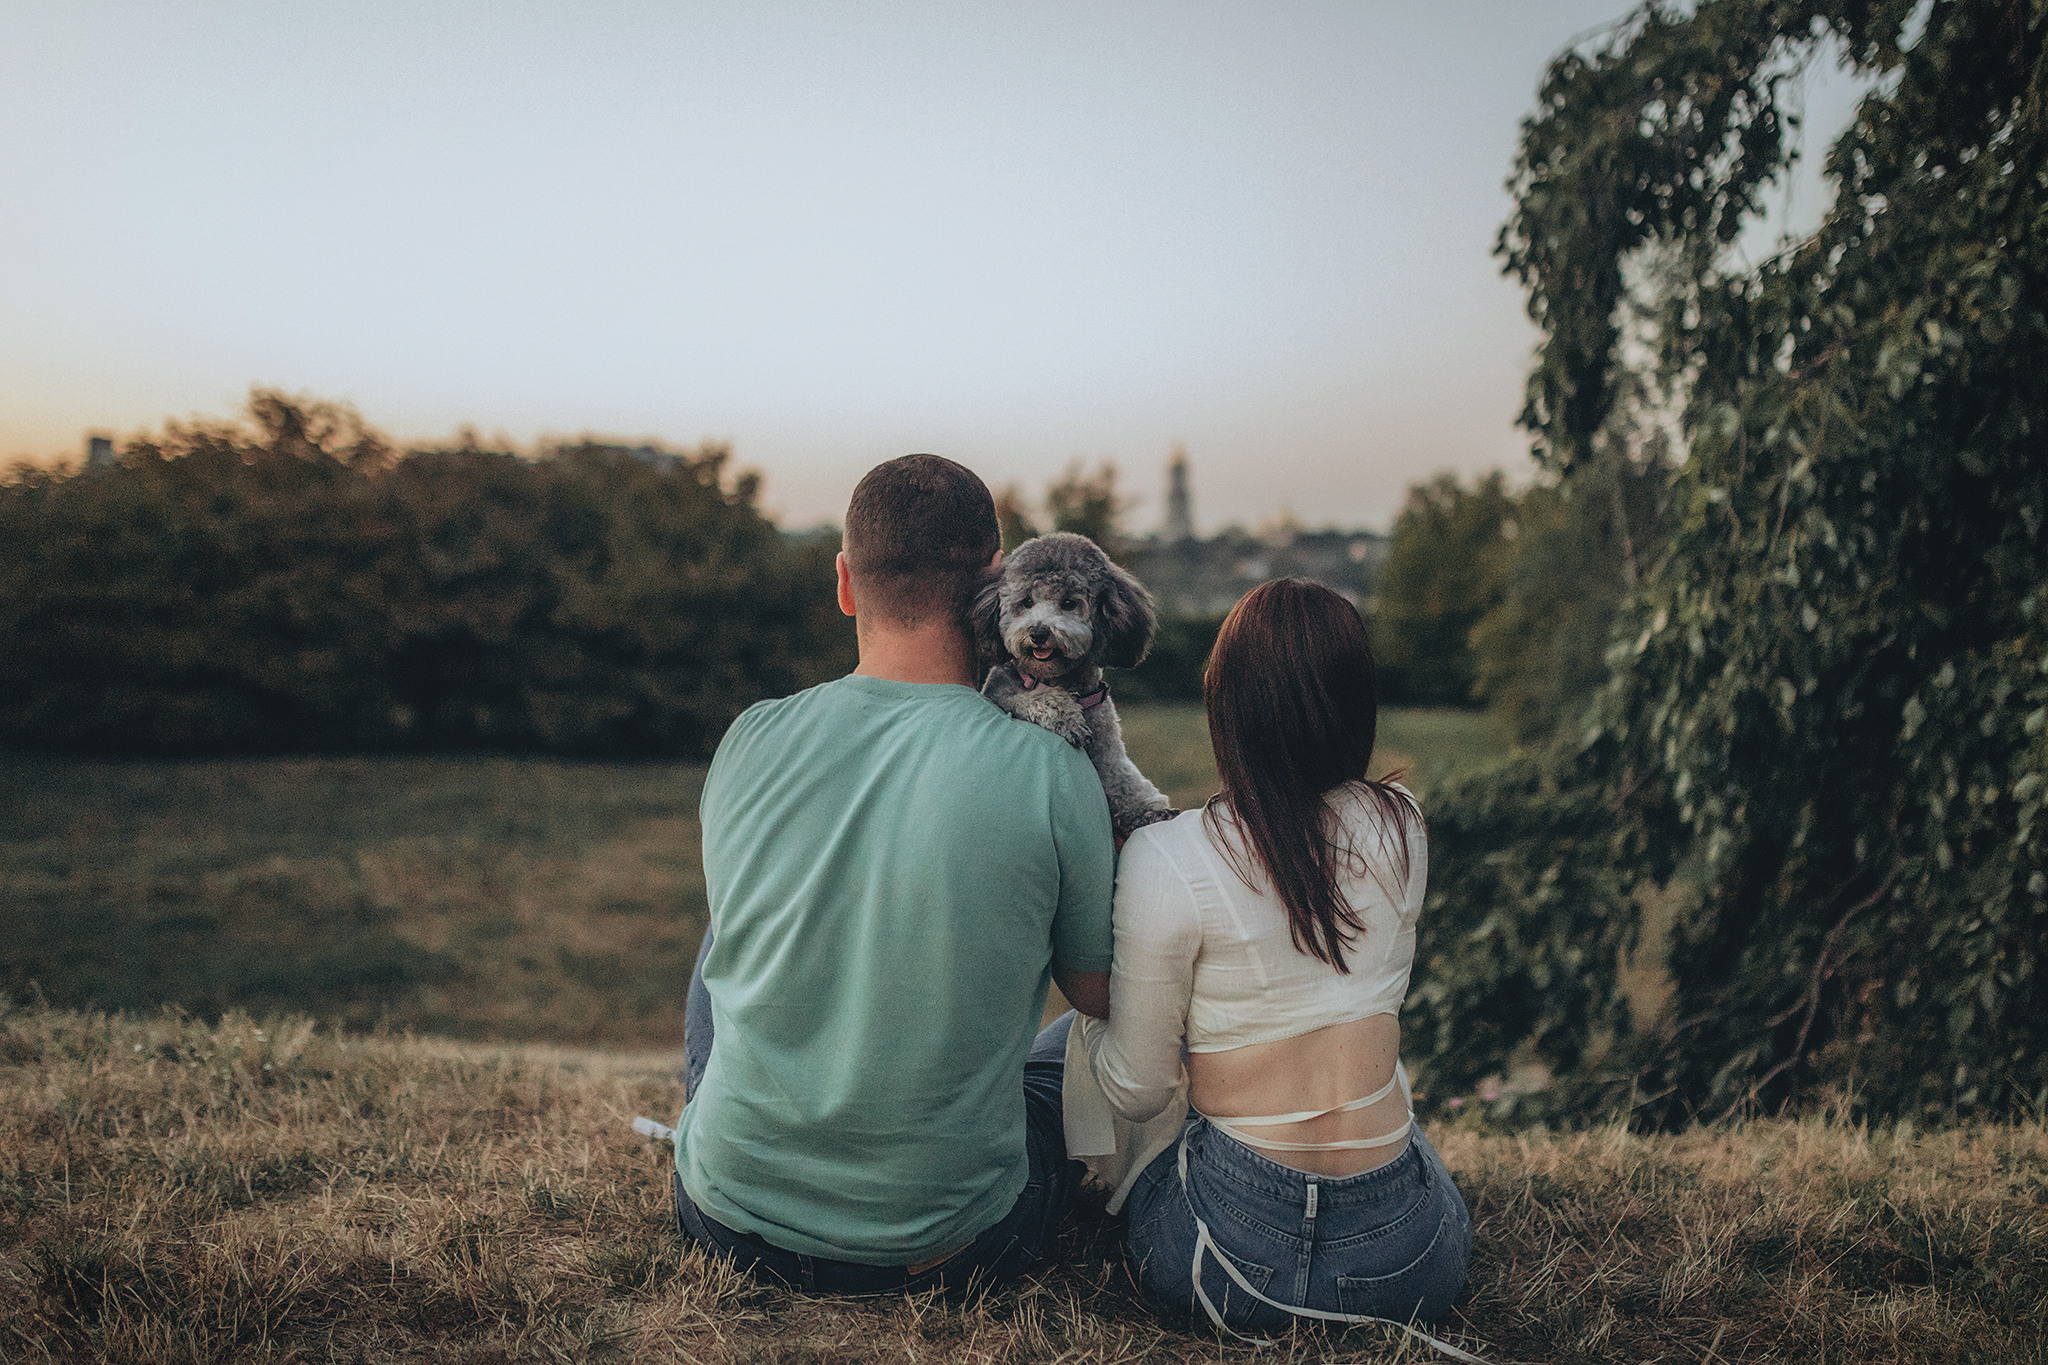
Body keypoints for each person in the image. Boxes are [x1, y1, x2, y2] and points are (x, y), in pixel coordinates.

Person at [671, 453, 1116, 1298]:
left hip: (727, 1217)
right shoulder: (1055, 772)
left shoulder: (749, 737)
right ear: (996, 581)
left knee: (725, 931)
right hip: (951, 1246)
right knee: (1059, 1054)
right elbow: (1099, 994)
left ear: (844, 581)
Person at [1062, 578, 1473, 1342]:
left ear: (1230, 710)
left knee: (1084, 1044)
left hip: (1227, 1260)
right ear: (1357, 705)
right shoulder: (1402, 825)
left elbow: (1140, 1090)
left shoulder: (1169, 857)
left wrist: (1106, 1010)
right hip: (1412, 1258)